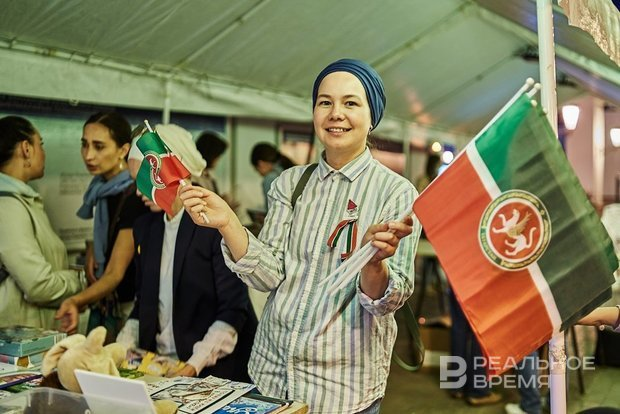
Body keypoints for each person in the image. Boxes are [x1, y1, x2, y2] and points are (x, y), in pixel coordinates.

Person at [180, 58, 420, 414]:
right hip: (271, 375)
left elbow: (385, 303)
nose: (336, 113)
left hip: (341, 389)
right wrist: (228, 222)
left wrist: (373, 262)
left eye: (351, 103)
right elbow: (268, 276)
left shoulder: (395, 193)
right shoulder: (291, 183)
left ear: (372, 116)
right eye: (325, 102)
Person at [117, 129, 257, 381]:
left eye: (145, 180)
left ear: (174, 172)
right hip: (162, 364)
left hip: (212, 368)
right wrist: (119, 348)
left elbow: (233, 310)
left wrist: (193, 365)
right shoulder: (146, 228)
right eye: (135, 182)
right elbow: (144, 303)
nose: (139, 192)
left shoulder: (214, 226)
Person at [56, 112, 149, 341]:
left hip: (128, 309)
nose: (88, 155)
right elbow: (108, 235)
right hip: (107, 301)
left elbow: (115, 273)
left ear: (123, 150)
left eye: (99, 147)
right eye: (84, 145)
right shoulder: (101, 188)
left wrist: (76, 300)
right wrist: (92, 247)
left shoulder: (135, 195)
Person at [0, 116, 85, 328]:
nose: (44, 152)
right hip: (18, 336)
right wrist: (79, 280)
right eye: (41, 144)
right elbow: (38, 285)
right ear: (26, 149)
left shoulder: (22, 201)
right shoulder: (8, 207)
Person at [250, 142, 294, 210]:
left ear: (261, 164)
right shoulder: (289, 171)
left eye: (256, 169)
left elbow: (270, 210)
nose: (259, 174)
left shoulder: (269, 179)